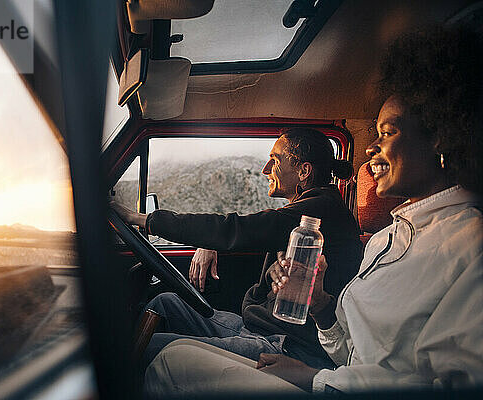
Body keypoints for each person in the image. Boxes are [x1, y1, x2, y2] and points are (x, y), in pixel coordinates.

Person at [144, 25, 483, 396]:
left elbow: (455, 387)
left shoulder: (469, 245)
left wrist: (313, 377)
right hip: (324, 373)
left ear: (439, 135)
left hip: (317, 373)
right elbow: (351, 350)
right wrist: (321, 304)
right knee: (168, 321)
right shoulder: (389, 237)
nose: (371, 148)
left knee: (167, 359)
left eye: (386, 133)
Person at [113, 127, 363, 369]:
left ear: (303, 171)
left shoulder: (319, 212)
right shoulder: (310, 209)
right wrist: (210, 245)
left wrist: (143, 219)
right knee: (166, 303)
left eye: (274, 161)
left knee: (149, 347)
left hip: (285, 345)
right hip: (261, 327)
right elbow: (248, 231)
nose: (265, 169)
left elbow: (236, 229)